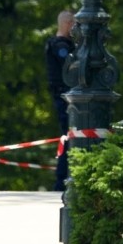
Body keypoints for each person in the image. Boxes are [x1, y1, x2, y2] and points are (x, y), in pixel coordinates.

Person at [45, 10, 76, 191]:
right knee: (69, 137)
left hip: (66, 97)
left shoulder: (59, 44)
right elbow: (71, 64)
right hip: (64, 98)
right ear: (67, 24)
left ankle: (64, 178)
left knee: (70, 137)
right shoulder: (59, 46)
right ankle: (62, 180)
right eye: (73, 25)